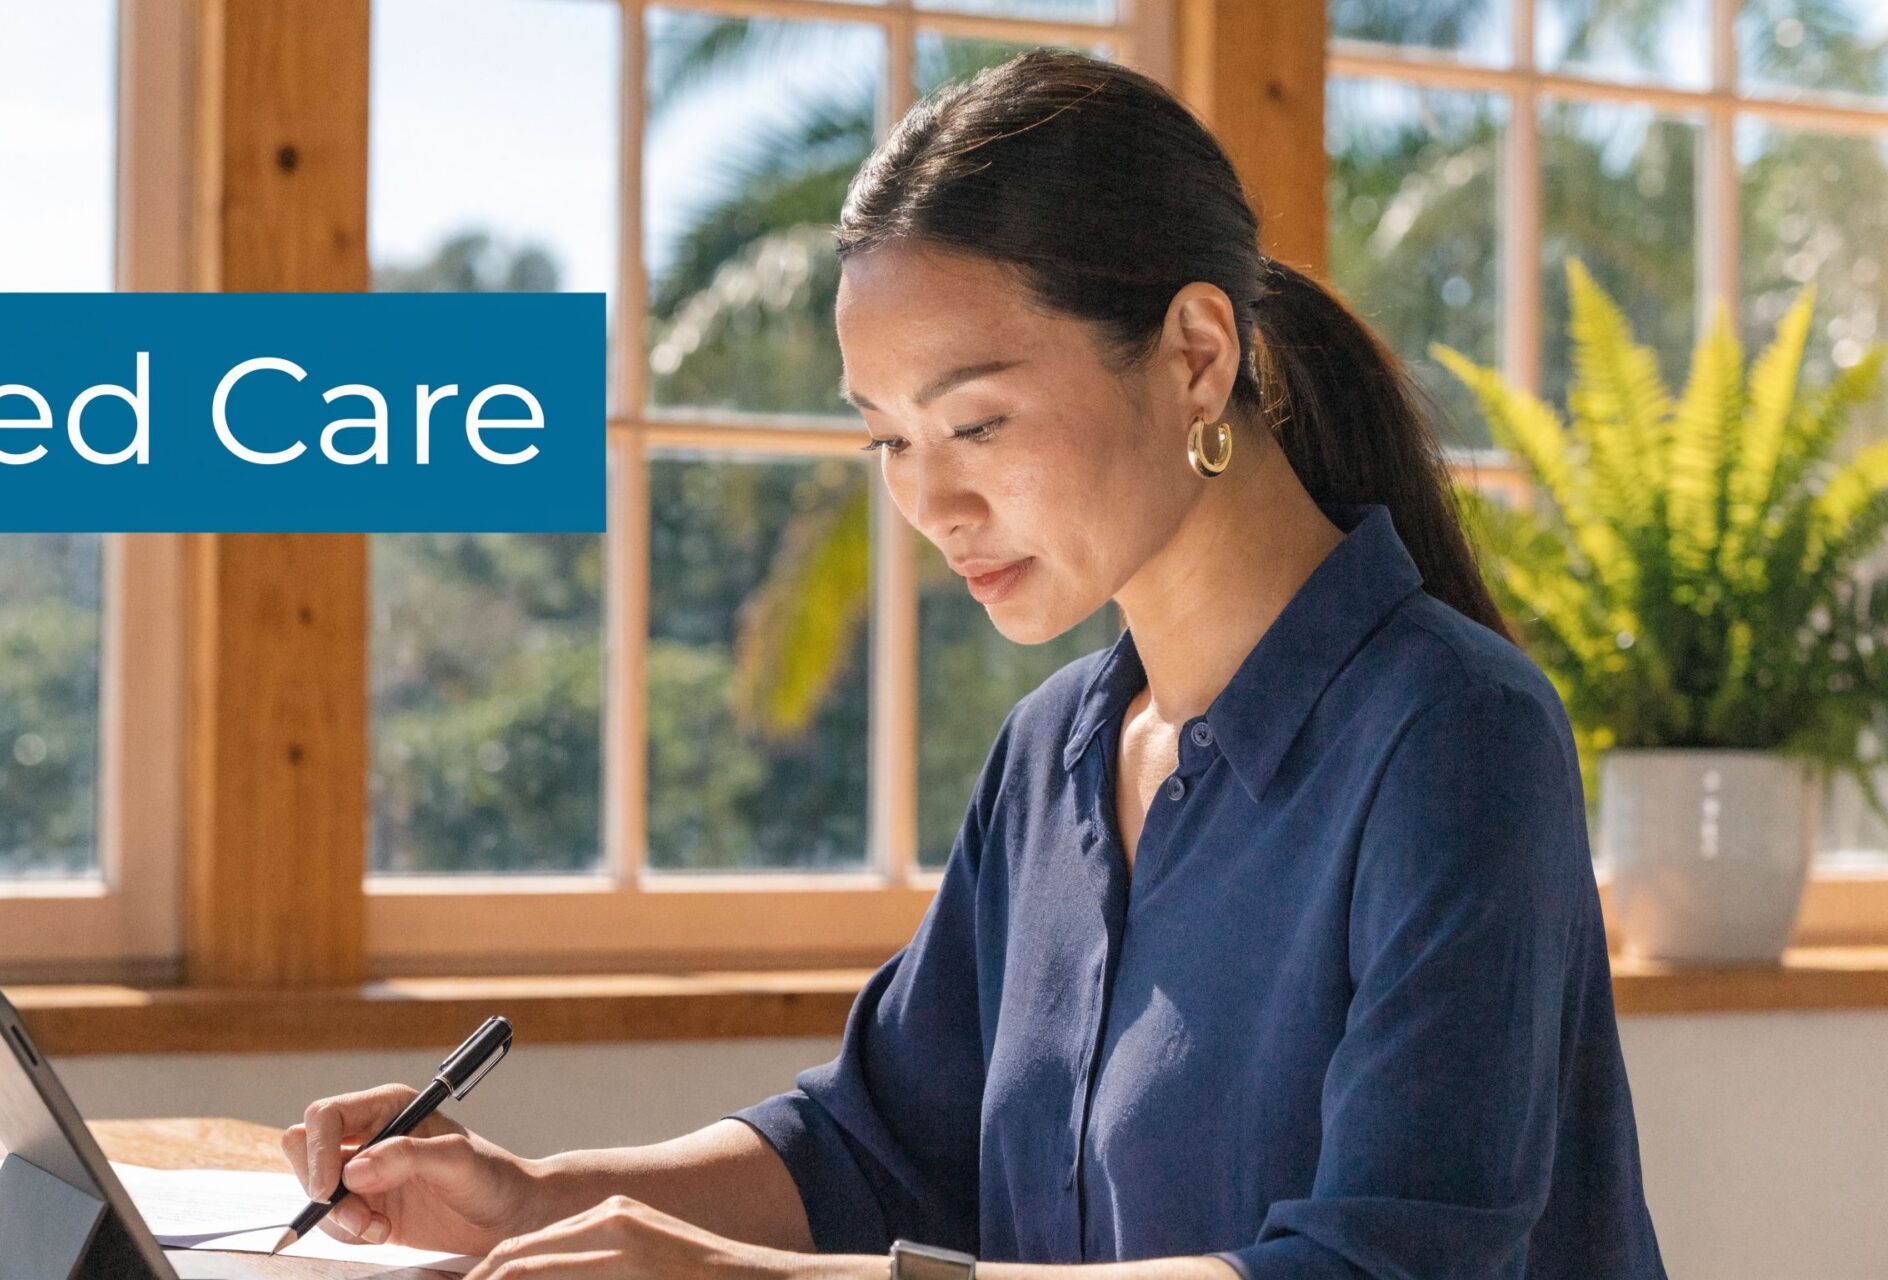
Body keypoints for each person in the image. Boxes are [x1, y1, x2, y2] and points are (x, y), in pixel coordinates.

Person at [283, 48, 1665, 1280]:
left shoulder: (1455, 740)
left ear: (1194, 356)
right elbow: (871, 1146)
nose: (930, 505)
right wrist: (533, 1200)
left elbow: (1380, 1265)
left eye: (979, 424)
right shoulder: (1058, 751)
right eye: (888, 439)